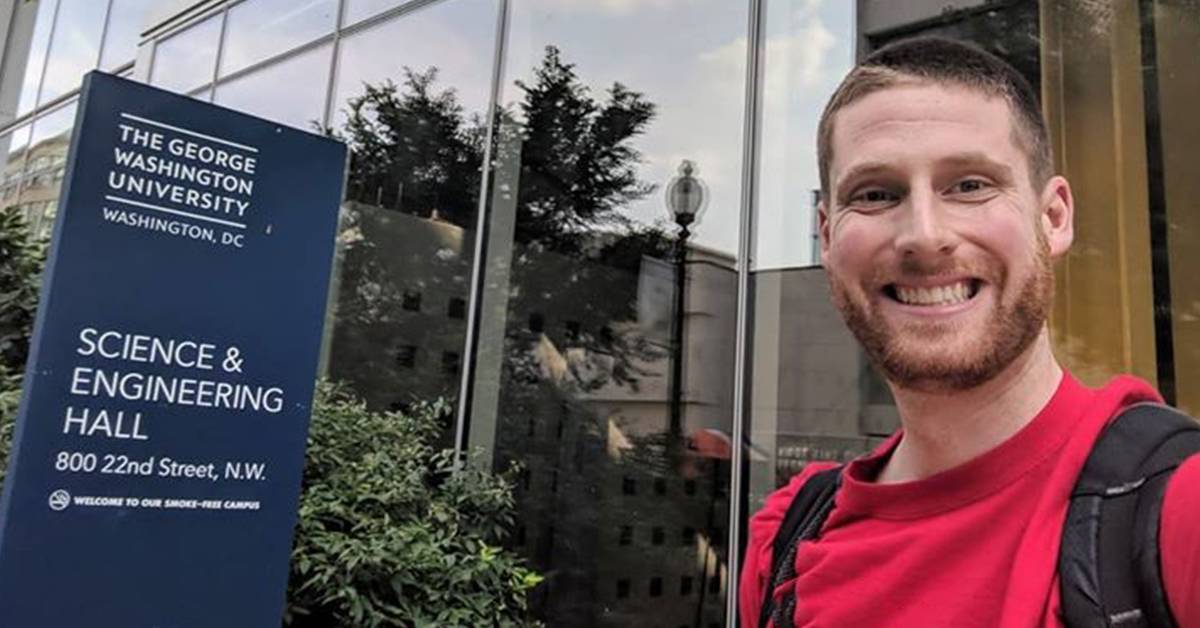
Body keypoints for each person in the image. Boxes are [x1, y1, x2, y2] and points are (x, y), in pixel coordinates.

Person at [738, 37, 1200, 628]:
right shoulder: (783, 544)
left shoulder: (1173, 510)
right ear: (827, 237)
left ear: (1053, 217)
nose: (924, 236)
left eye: (971, 185)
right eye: (875, 194)